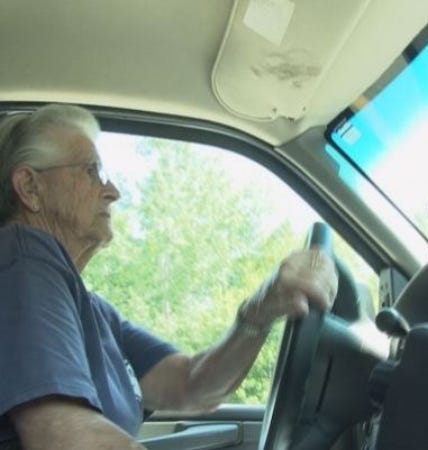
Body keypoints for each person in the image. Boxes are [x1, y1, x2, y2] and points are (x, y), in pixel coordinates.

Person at [0, 104, 338, 450]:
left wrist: (260, 310)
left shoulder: (91, 309)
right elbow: (66, 439)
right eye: (92, 171)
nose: (112, 190)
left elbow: (192, 385)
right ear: (30, 187)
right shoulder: (21, 256)